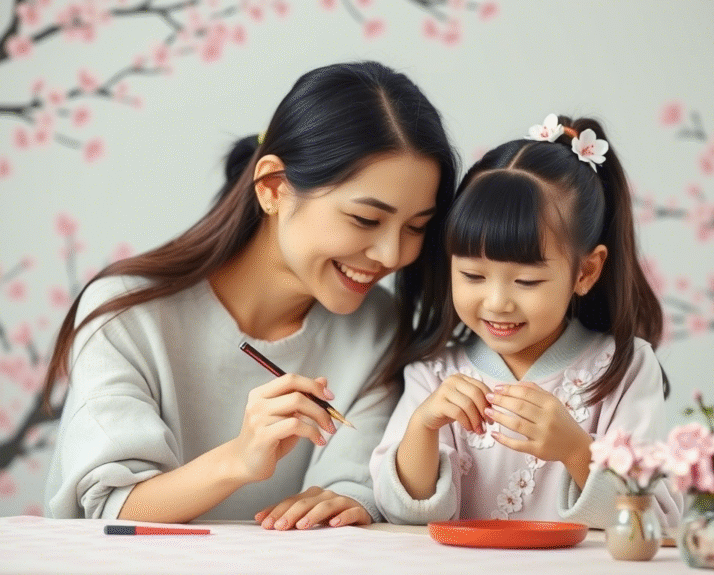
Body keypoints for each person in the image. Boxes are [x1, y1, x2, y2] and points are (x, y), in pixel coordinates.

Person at [42, 61, 458, 529]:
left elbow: (355, 489)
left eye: (416, 227)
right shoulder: (125, 313)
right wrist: (239, 459)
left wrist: (352, 500)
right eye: (365, 220)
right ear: (274, 187)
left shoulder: (380, 326)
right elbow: (108, 510)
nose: (391, 253)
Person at [370, 114, 683, 529]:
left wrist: (575, 450)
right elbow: (401, 512)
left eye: (526, 281)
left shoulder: (623, 370)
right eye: (473, 276)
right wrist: (424, 427)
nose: (497, 303)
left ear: (585, 272)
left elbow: (658, 518)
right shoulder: (434, 376)